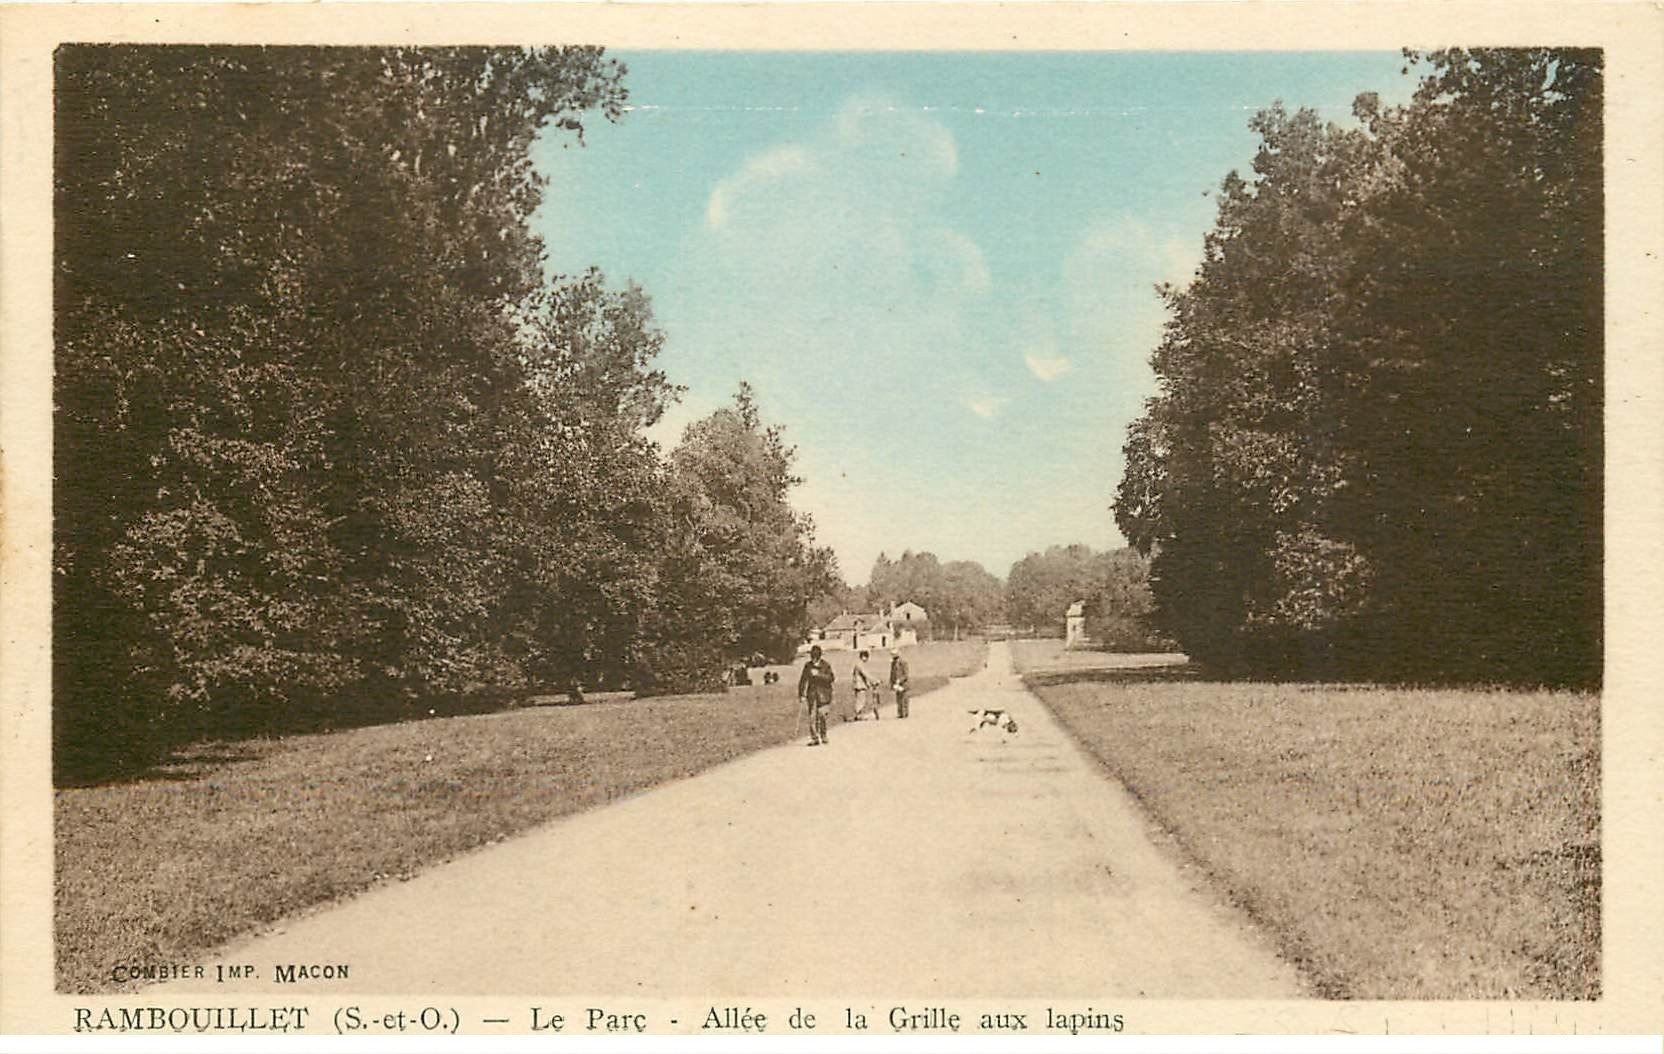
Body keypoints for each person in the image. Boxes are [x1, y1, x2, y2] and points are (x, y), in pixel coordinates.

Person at [798, 644, 836, 746]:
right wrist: (801, 694)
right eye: (812, 658)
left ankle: (823, 735)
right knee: (812, 716)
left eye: (815, 658)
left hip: (824, 694)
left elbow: (831, 678)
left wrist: (818, 675)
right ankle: (814, 738)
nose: (813, 660)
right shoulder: (808, 666)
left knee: (822, 715)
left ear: (819, 657)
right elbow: (803, 680)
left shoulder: (826, 665)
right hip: (812, 694)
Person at [849, 649, 878, 721]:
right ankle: (858, 715)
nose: (867, 659)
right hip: (860, 685)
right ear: (863, 657)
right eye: (866, 657)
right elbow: (866, 674)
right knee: (861, 700)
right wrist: (875, 680)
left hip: (859, 685)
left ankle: (859, 714)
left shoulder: (859, 664)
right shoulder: (860, 664)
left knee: (861, 699)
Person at [889, 649, 911, 719]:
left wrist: (900, 680)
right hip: (896, 684)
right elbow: (892, 673)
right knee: (898, 699)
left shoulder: (903, 662)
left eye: (894, 654)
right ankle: (900, 713)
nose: (893, 656)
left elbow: (906, 674)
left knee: (904, 698)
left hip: (904, 683)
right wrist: (891, 683)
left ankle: (905, 713)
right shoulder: (893, 663)